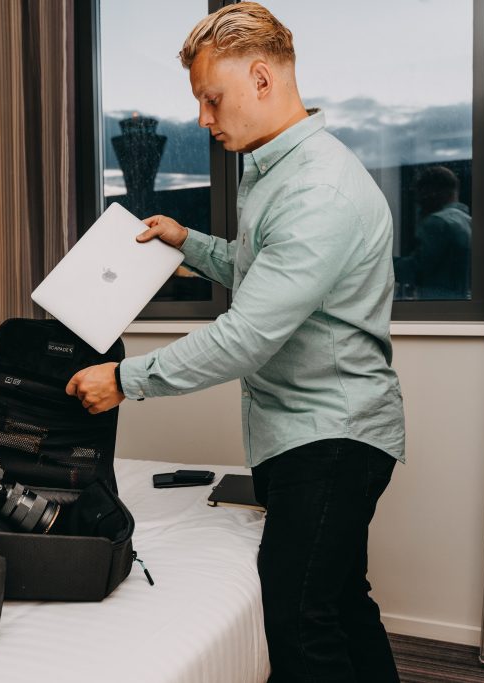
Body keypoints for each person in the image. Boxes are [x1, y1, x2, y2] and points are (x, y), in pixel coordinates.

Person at [65, 3, 405, 681]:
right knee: (339, 600)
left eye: (211, 99)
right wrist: (187, 242)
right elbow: (261, 273)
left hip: (331, 437)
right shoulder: (275, 172)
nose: (202, 119)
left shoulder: (316, 189)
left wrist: (125, 380)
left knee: (300, 620)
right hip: (304, 432)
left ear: (261, 79)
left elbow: (247, 334)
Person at [393, 165, 472, 299]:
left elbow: (417, 270)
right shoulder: (468, 221)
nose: (419, 203)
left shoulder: (437, 222)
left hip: (437, 304)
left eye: (421, 195)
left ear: (433, 193)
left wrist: (381, 264)